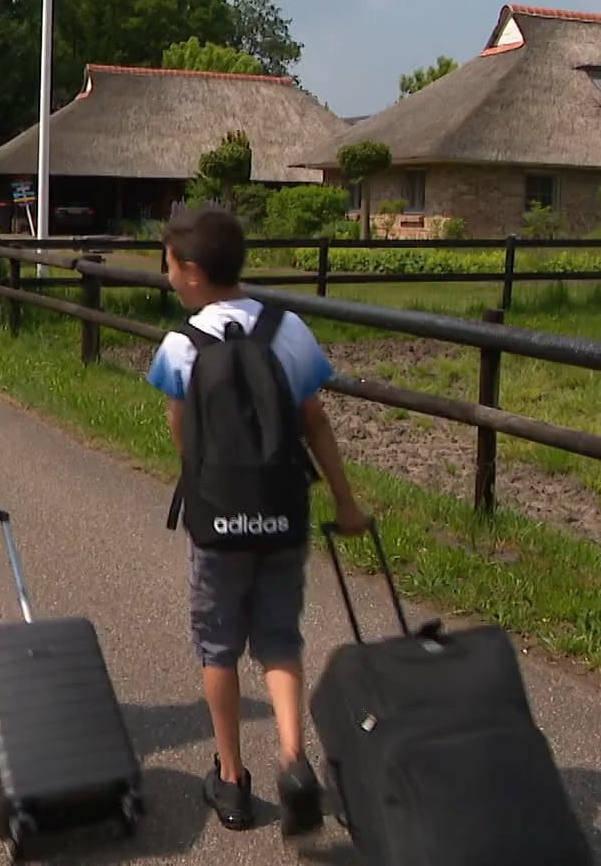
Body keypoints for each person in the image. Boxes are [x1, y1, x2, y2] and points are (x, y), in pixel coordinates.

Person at [145, 205, 369, 837]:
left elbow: (179, 428)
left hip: (217, 518)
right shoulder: (288, 329)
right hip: (283, 512)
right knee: (279, 637)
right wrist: (345, 502)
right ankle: (295, 761)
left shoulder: (182, 344)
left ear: (189, 272)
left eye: (168, 265)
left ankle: (234, 778)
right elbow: (315, 420)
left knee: (218, 646)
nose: (167, 275)